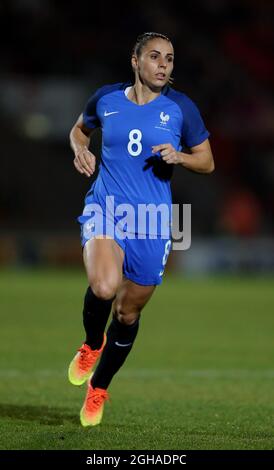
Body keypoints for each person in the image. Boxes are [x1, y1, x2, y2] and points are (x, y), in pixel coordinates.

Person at [68, 32, 214, 427]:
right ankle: (91, 343)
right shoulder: (107, 99)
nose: (164, 64)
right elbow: (80, 130)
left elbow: (208, 161)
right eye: (154, 56)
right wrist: (80, 148)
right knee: (103, 286)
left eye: (169, 58)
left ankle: (99, 386)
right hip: (107, 209)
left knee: (128, 313)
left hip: (152, 223)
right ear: (135, 61)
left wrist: (180, 156)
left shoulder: (181, 108)